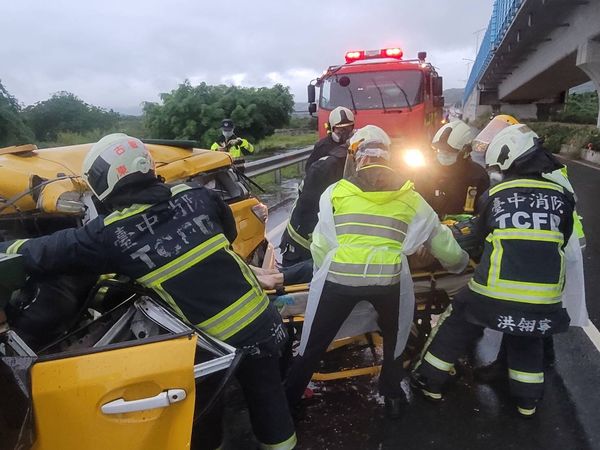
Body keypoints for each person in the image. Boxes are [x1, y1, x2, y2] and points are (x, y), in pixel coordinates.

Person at [0, 133, 296, 450]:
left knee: (201, 416)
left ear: (103, 182)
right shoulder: (196, 195)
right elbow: (228, 233)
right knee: (269, 405)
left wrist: (7, 246)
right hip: (263, 319)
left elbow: (40, 252)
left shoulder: (110, 233)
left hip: (216, 344)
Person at [284, 125, 469, 419]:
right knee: (395, 336)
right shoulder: (410, 196)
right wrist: (459, 264)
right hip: (387, 280)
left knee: (315, 343)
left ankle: (288, 399)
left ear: (358, 159)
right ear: (390, 160)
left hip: (339, 280)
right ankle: (391, 394)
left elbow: (321, 244)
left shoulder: (336, 193)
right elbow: (441, 241)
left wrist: (324, 273)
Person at [411, 124, 579, 418]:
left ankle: (430, 381)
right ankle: (527, 402)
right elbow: (562, 239)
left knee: (459, 317)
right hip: (546, 297)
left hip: (494, 289)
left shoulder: (496, 193)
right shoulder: (562, 196)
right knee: (527, 334)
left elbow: (478, 238)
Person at [279, 119, 351, 266]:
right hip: (303, 241)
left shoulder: (343, 158)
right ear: (332, 128)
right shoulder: (323, 155)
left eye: (347, 128)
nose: (343, 133)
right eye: (339, 129)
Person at [414, 120, 489, 219]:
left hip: (465, 231)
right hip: (432, 230)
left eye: (450, 152)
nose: (444, 155)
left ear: (466, 152)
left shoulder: (478, 177)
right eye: (440, 150)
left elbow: (484, 212)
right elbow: (417, 208)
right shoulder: (425, 173)